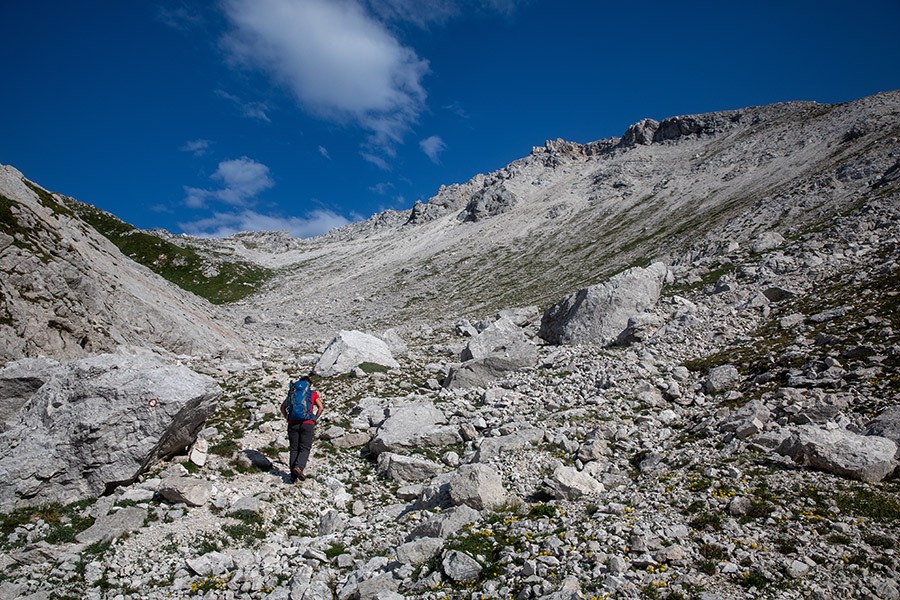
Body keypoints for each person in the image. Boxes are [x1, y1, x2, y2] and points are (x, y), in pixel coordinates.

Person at [280, 375, 324, 483]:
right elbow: (321, 408)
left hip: (292, 424)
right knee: (305, 448)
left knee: (294, 449)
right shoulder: (312, 394)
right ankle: (299, 467)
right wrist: (314, 418)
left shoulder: (292, 393)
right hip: (307, 423)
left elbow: (282, 407)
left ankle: (293, 477)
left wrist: (287, 417)